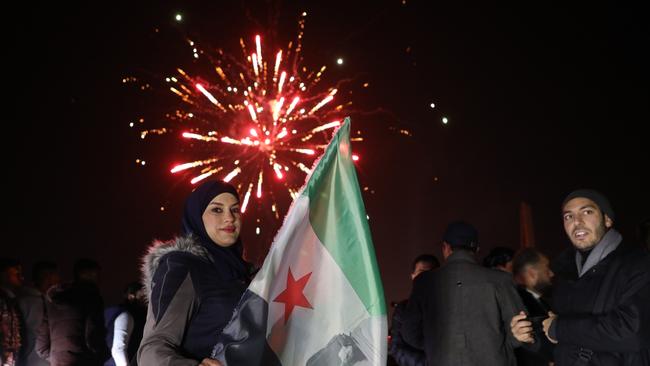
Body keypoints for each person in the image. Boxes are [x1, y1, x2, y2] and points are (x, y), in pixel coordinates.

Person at [511, 189, 650, 365]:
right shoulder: (566, 273)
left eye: (587, 211)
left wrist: (559, 328)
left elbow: (634, 332)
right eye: (568, 216)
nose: (577, 221)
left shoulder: (637, 263)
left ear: (607, 220)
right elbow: (564, 346)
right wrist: (531, 338)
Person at [138, 180, 251, 366]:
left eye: (235, 210)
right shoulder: (183, 267)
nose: (229, 218)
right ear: (197, 216)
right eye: (217, 210)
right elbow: (152, 350)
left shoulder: (247, 274)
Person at [402, 221, 524, 366]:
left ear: (445, 247)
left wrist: (436, 345)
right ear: (477, 249)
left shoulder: (424, 283)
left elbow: (410, 333)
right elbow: (520, 330)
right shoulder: (501, 280)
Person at [36, 258, 108, 366]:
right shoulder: (91, 297)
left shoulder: (52, 301)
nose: (100, 280)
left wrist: (57, 358)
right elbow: (93, 336)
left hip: (57, 361)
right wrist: (104, 355)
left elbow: (41, 345)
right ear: (90, 275)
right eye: (98, 276)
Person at [388, 254, 440, 366]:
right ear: (413, 276)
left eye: (430, 273)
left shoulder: (447, 307)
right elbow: (396, 348)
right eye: (421, 273)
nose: (425, 279)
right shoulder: (402, 309)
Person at [512, 248, 554, 366]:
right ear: (531, 273)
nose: (551, 274)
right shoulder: (519, 303)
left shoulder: (539, 300)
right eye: (546, 268)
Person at [17, 260, 60, 366]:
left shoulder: (23, 301)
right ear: (48, 278)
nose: (59, 281)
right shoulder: (26, 302)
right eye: (55, 276)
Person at [103, 282, 146, 366]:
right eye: (142, 297)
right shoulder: (127, 315)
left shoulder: (113, 312)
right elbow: (119, 349)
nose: (145, 301)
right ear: (131, 296)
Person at [1, 258, 23, 366]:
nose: (21, 278)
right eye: (16, 273)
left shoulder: (10, 300)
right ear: (3, 275)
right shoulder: (3, 300)